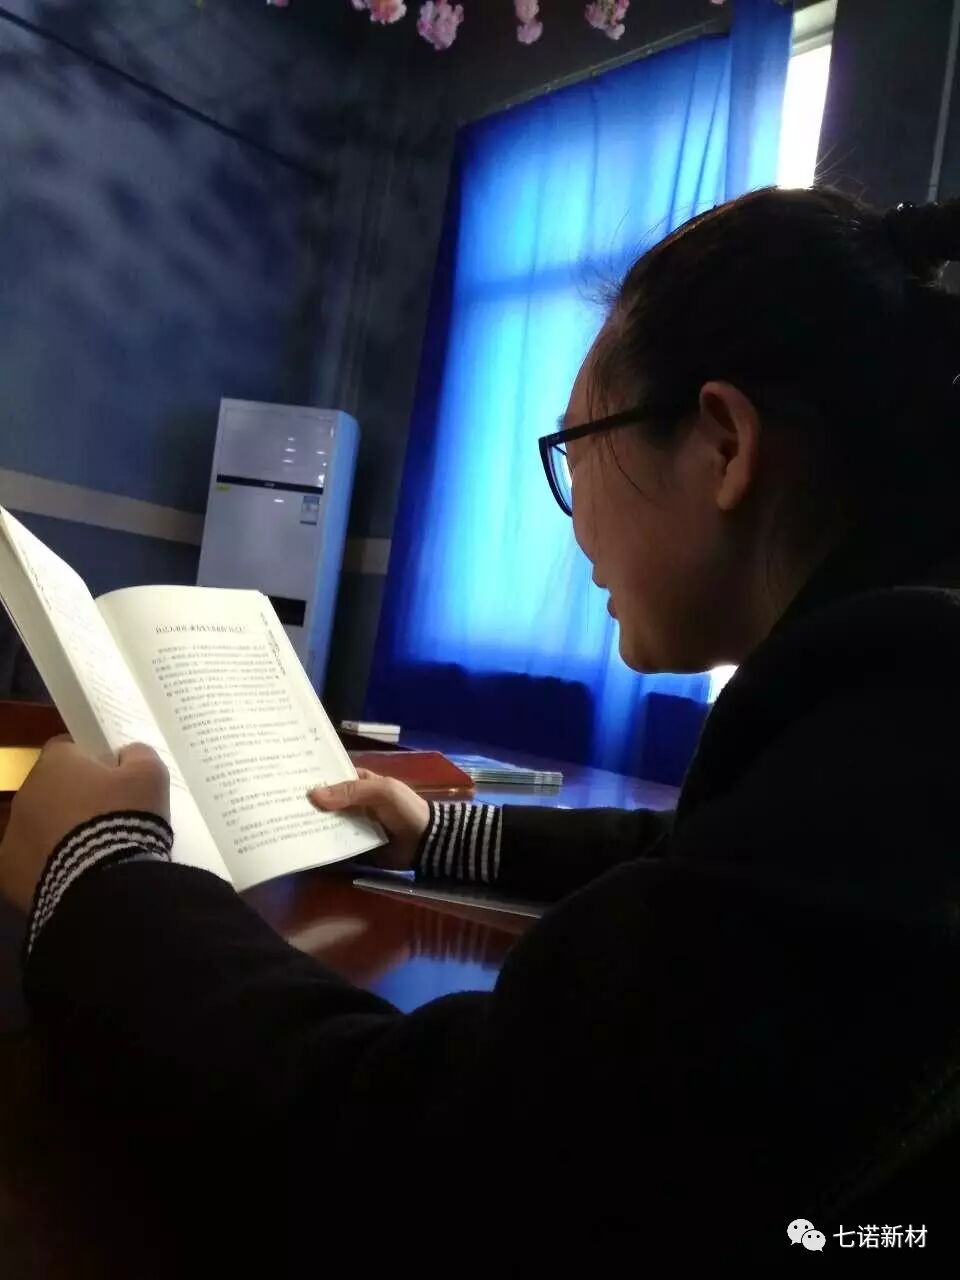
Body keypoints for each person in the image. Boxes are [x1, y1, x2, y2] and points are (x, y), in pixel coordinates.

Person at [4, 187, 960, 1269]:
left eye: (575, 446)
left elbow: (418, 1170)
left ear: (725, 444)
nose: (573, 517)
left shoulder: (912, 725)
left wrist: (97, 869)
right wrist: (438, 832)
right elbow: (702, 858)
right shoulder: (880, 724)